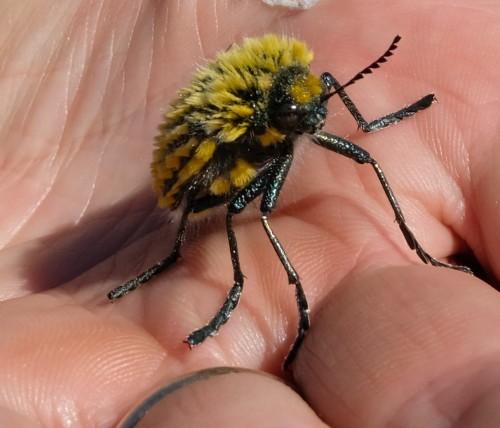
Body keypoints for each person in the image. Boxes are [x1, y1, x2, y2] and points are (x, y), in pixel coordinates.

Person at [0, 1, 499, 426]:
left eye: (316, 105)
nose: (318, 118)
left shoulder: (296, 91)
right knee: (251, 209)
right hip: (199, 166)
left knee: (361, 158)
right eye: (299, 117)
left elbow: (312, 96)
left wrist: (365, 122)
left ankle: (409, 242)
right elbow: (190, 188)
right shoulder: (243, 124)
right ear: (268, 120)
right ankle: (233, 281)